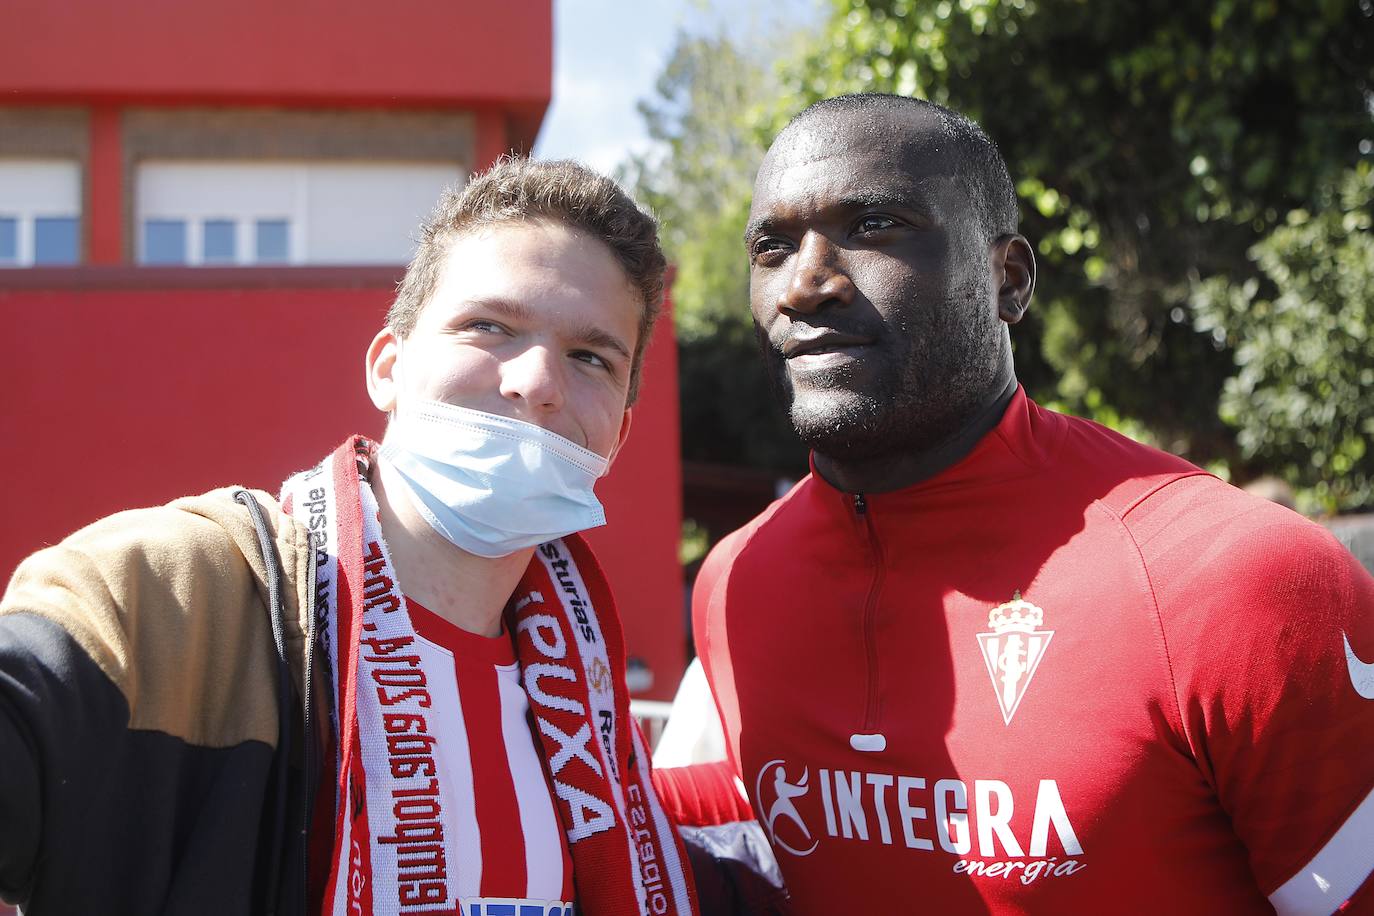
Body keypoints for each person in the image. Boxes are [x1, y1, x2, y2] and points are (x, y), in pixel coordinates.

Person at [690, 93, 1374, 914]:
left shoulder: (1238, 579)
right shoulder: (735, 582)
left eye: (875, 226)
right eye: (771, 246)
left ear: (1007, 279)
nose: (806, 283)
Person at [0, 158, 699, 916]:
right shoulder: (177, 598)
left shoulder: (594, 724)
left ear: (619, 436)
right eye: (488, 326)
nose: (535, 381)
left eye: (590, 356)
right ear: (387, 369)